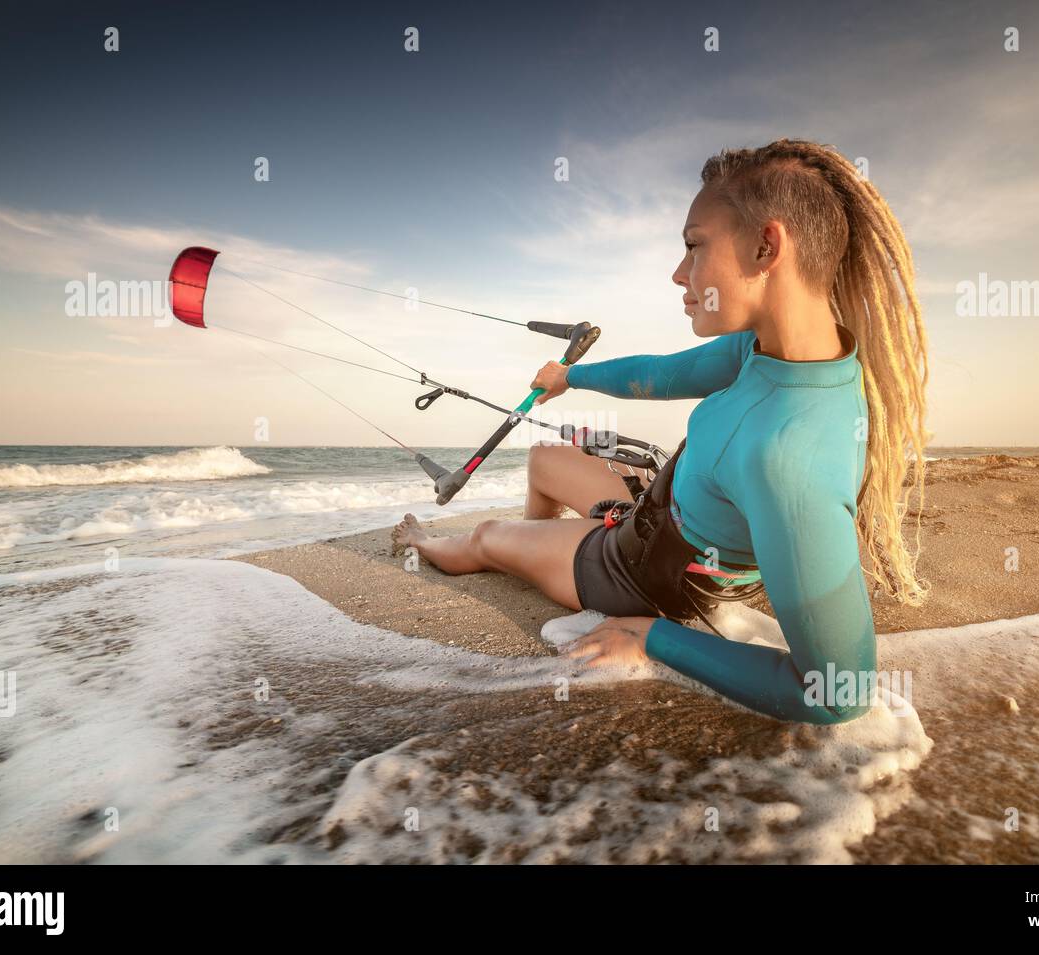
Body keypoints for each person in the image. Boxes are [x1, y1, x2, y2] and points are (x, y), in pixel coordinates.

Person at [392, 139, 930, 724]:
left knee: (485, 535)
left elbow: (838, 692)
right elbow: (665, 373)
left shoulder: (787, 458)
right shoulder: (777, 349)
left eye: (694, 246)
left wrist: (652, 638)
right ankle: (545, 547)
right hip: (661, 514)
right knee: (545, 458)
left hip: (634, 576)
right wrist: (571, 376)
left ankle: (449, 546)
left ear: (765, 246)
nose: (680, 273)